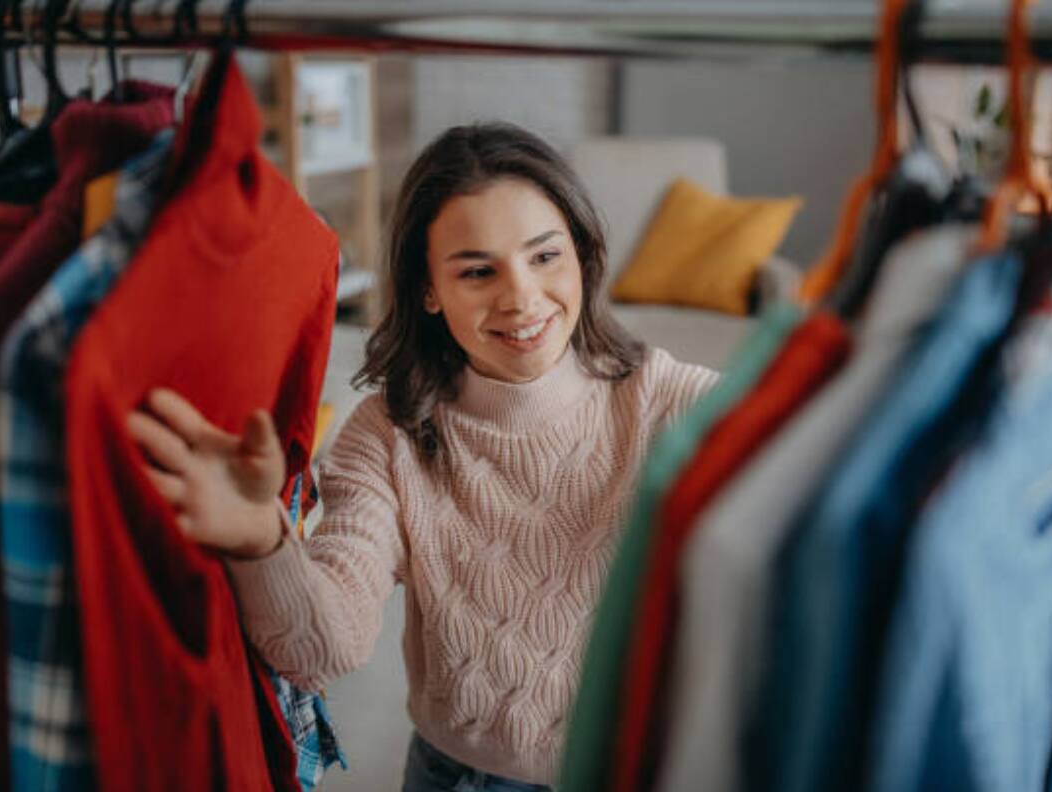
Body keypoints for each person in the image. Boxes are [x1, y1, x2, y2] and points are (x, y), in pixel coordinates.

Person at [127, 122, 718, 791]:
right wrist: (261, 540)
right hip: (461, 778)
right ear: (428, 289)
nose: (521, 296)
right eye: (477, 271)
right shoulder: (388, 435)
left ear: (581, 254)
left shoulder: (669, 400)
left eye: (545, 256)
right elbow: (322, 649)